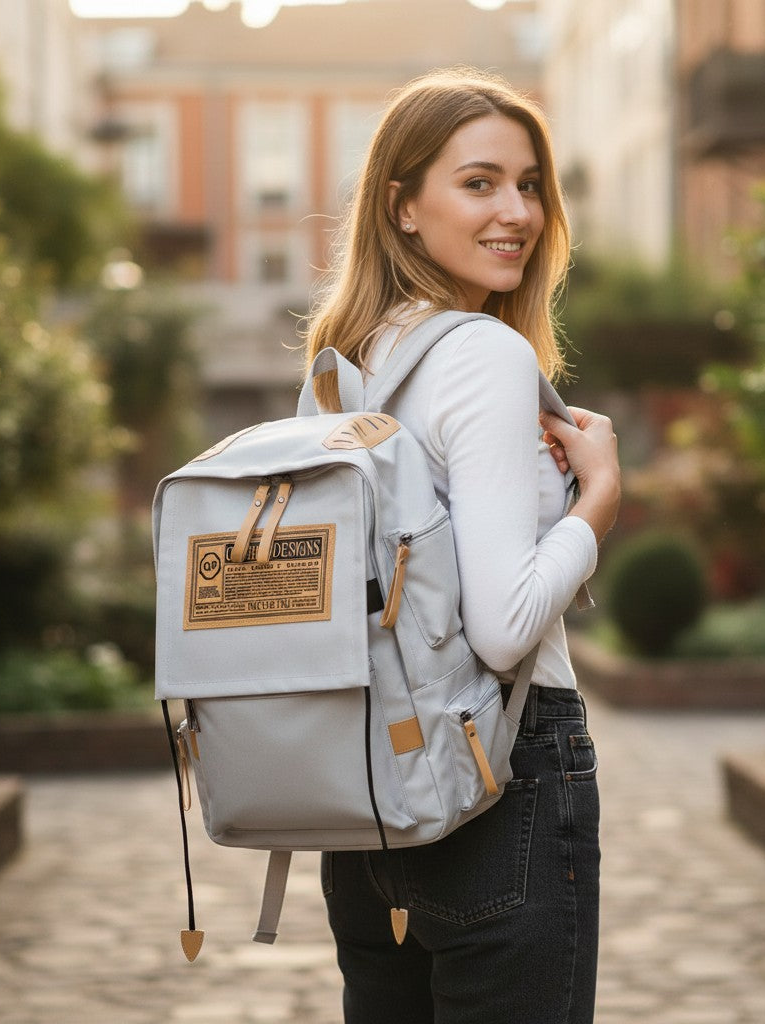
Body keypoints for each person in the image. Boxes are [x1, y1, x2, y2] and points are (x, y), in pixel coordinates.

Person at [303, 67, 621, 1024]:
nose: (516, 211)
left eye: (529, 185)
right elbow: (503, 626)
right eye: (479, 183)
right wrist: (597, 500)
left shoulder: (348, 369)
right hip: (500, 776)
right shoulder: (484, 356)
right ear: (402, 208)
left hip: (368, 797)